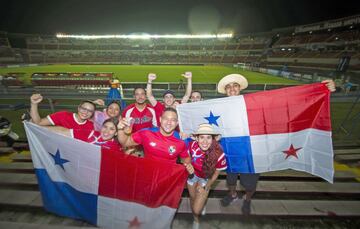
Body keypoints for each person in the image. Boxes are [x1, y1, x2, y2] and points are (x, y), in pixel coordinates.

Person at [217, 74, 336, 215]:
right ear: (225, 91)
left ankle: (247, 199)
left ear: (240, 88)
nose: (232, 89)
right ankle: (232, 195)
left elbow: (287, 101)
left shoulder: (254, 103)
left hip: (253, 151)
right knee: (231, 179)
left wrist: (324, 89)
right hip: (230, 152)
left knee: (249, 183)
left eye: (235, 85)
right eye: (228, 87)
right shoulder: (218, 107)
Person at [186, 123, 227, 229]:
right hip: (192, 176)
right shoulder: (191, 145)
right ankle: (196, 216)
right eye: (202, 137)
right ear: (196, 138)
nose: (204, 141)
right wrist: (187, 164)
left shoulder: (219, 153)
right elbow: (187, 158)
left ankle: (196, 216)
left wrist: (206, 186)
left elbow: (216, 173)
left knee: (196, 209)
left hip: (206, 179)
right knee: (192, 197)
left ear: (213, 139)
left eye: (208, 137)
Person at [117, 107, 191, 164]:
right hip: (149, 175)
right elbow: (125, 142)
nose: (169, 122)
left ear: (177, 123)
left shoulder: (182, 140)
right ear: (160, 119)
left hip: (168, 178)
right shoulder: (146, 133)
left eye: (173, 120)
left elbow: (186, 159)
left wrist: (188, 165)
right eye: (166, 119)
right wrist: (120, 129)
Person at [37, 118, 123, 152]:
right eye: (105, 127)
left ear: (116, 133)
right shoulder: (91, 134)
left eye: (112, 129)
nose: (106, 131)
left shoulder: (117, 147)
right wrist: (38, 128)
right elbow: (63, 131)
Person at [29, 93, 95, 130]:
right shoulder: (63, 115)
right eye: (84, 109)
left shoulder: (90, 126)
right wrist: (34, 104)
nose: (85, 112)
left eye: (90, 111)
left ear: (92, 114)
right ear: (78, 108)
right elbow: (38, 123)